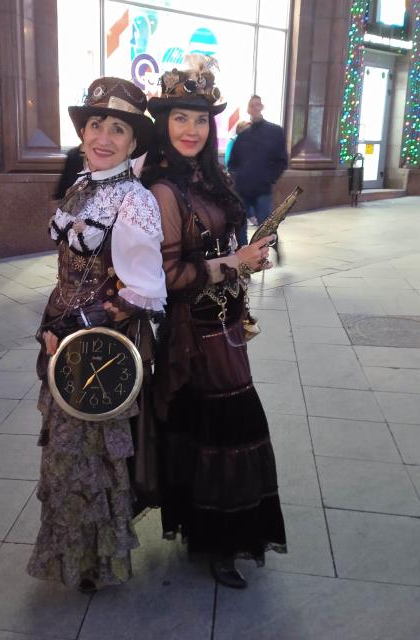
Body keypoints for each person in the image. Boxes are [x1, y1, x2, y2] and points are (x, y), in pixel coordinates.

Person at [141, 57, 287, 590]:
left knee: (212, 429)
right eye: (180, 118)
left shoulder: (210, 177)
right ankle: (219, 542)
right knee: (225, 430)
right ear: (164, 124)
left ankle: (213, 535)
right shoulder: (164, 191)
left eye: (200, 119)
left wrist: (246, 260)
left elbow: (220, 248)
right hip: (193, 335)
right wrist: (233, 262)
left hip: (223, 325)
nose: (191, 129)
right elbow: (167, 276)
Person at [27, 77, 166, 594]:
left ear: (133, 142)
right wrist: (52, 328)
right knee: (64, 451)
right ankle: (71, 554)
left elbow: (145, 290)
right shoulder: (82, 186)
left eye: (118, 129)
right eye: (95, 124)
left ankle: (93, 562)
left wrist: (83, 326)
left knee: (88, 454)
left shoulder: (134, 200)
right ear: (83, 132)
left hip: (97, 348)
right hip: (62, 335)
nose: (103, 137)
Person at [227, 95, 288, 259]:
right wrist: (237, 177)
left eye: (257, 104)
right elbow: (232, 162)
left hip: (262, 187)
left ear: (261, 107)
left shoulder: (275, 132)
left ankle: (275, 248)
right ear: (248, 110)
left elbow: (282, 160)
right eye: (251, 105)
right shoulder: (243, 137)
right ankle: (244, 253)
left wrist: (269, 178)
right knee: (240, 223)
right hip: (243, 188)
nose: (255, 108)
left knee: (266, 223)